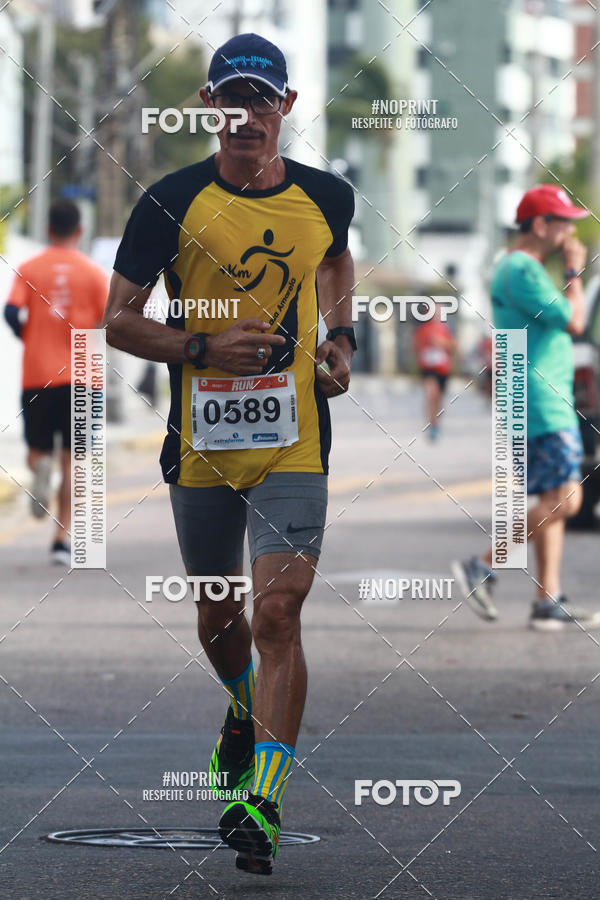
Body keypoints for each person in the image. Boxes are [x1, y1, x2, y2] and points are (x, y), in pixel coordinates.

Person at [103, 33, 356, 875]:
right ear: (211, 106)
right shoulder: (169, 201)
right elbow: (119, 319)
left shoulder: (328, 197)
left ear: (286, 107)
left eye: (263, 98)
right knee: (219, 615)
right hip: (204, 444)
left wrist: (341, 336)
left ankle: (263, 799)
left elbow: (336, 260)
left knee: (279, 610)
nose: (247, 114)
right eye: (232, 98)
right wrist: (201, 348)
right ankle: (242, 707)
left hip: (296, 439)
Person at [453, 184, 600, 631]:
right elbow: (575, 320)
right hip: (541, 400)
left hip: (536, 396)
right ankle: (483, 566)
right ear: (541, 225)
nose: (569, 231)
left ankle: (546, 599)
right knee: (567, 500)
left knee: (553, 497)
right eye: (563, 223)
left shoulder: (519, 268)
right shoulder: (521, 268)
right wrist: (575, 271)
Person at [3, 200, 107, 565]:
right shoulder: (94, 274)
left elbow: (11, 312)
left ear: (48, 230)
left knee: (38, 451)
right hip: (83, 379)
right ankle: (61, 540)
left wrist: (29, 336)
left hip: (37, 376)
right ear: (79, 231)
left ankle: (38, 467)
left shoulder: (30, 268)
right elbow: (109, 321)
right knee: (75, 462)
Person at [414, 304, 456, 440]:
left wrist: (441, 343)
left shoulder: (445, 329)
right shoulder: (422, 329)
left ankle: (436, 423)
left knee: (438, 398)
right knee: (431, 394)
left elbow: (454, 347)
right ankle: (431, 424)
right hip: (428, 369)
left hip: (442, 369)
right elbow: (416, 347)